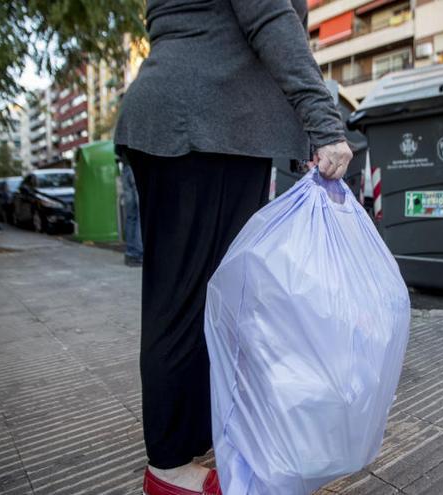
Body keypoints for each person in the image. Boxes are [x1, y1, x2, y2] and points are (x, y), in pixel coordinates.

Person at [113, 1, 353, 494]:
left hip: (187, 120)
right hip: (205, 126)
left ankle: (190, 440)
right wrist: (324, 123)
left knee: (196, 297)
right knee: (184, 301)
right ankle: (169, 466)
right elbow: (269, 19)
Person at [120, 160, 143, 267]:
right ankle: (139, 253)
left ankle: (130, 252)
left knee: (131, 215)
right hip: (136, 167)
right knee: (141, 214)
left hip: (125, 168)